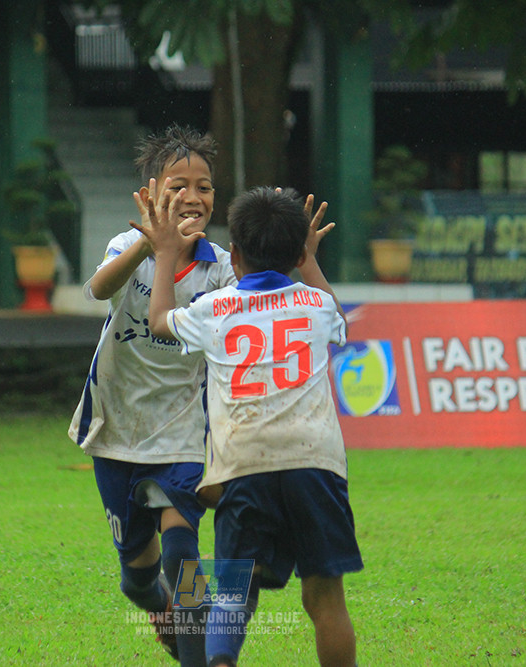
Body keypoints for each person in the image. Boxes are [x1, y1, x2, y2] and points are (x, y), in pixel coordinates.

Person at [134, 184, 363, 667]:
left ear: (233, 254)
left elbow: (157, 321)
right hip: (314, 464)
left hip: (243, 467)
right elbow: (338, 317)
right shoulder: (316, 306)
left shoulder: (215, 309)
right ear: (299, 251)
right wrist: (309, 261)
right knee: (325, 602)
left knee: (235, 594)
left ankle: (220, 661)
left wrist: (166, 253)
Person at [68, 124, 236, 666]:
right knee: (137, 581)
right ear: (152, 191)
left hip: (184, 431)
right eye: (179, 185)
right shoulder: (127, 247)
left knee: (182, 555)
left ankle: (197, 658)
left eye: (205, 186)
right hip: (117, 427)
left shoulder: (223, 268)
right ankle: (162, 614)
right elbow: (96, 289)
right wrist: (150, 241)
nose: (192, 196)